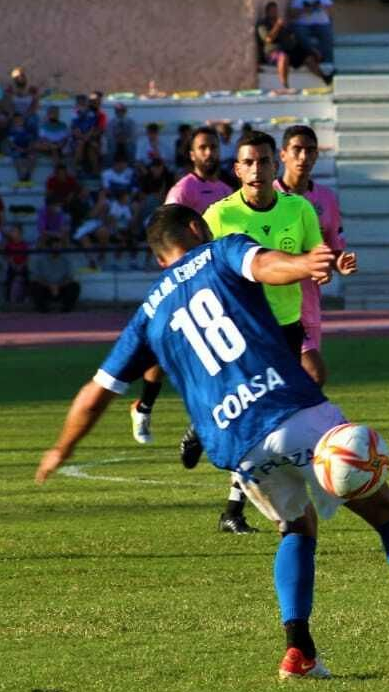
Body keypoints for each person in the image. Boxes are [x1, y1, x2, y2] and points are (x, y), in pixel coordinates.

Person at [35, 204, 389, 679]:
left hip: (237, 443)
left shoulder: (147, 316)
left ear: (159, 259)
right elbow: (264, 265)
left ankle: (300, 652)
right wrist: (302, 264)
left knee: (296, 527)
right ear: (197, 228)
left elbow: (97, 392)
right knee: (384, 510)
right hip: (288, 406)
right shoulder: (221, 251)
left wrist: (60, 449)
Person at [196, 130, 350, 533]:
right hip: (242, 330)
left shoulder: (299, 209)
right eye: (248, 162)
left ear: (273, 164)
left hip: (287, 326)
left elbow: (316, 257)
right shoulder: (219, 216)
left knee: (266, 418)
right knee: (266, 414)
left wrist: (327, 267)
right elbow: (200, 273)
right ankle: (279, 508)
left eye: (263, 161)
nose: (257, 169)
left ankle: (243, 502)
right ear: (237, 169)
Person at [131, 127, 242, 448]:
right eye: (203, 147)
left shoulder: (227, 190)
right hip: (187, 280)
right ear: (192, 154)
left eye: (213, 147)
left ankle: (213, 418)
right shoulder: (183, 190)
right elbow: (164, 231)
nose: (209, 153)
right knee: (168, 350)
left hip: (217, 280)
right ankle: (144, 406)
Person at [275, 124, 353, 389]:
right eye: (297, 149)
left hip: (309, 306)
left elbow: (333, 249)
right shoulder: (267, 197)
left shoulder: (326, 199)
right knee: (314, 374)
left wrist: (339, 263)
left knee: (300, 384)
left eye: (310, 151)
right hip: (276, 304)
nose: (303, 157)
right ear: (283, 154)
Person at [256, 1, 329, 88]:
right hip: (272, 53)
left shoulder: (280, 23)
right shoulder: (262, 23)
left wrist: (310, 50)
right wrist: (277, 26)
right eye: (272, 10)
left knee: (308, 57)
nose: (274, 12)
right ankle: (285, 85)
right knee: (283, 56)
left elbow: (291, 38)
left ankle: (325, 78)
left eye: (275, 10)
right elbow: (268, 39)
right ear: (267, 12)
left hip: (288, 50)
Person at [28, 231, 81, 312]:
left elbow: (70, 277)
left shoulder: (67, 258)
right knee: (34, 286)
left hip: (61, 288)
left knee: (75, 286)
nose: (57, 248)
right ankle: (42, 308)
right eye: (54, 246)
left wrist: (58, 286)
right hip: (46, 288)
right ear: (49, 247)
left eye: (58, 246)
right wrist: (50, 286)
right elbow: (35, 277)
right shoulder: (40, 258)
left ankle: (66, 308)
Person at [290, 0, 336, 68]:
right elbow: (292, 14)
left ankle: (328, 62)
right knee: (299, 34)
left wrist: (322, 6)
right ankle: (314, 52)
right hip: (304, 25)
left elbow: (331, 10)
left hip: (322, 24)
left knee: (327, 36)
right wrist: (304, 10)